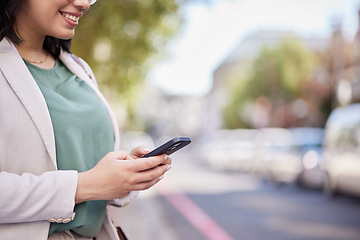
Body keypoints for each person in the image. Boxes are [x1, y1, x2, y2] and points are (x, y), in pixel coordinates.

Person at [0, 0, 172, 239]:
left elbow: (86, 169)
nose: (83, 3)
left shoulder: (79, 69)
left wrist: (125, 175)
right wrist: (84, 186)